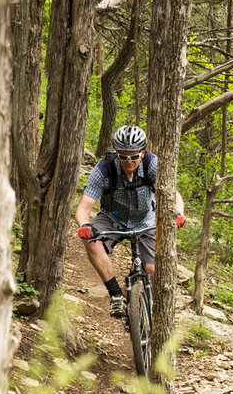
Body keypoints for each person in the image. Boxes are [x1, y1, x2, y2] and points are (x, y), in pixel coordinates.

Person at [75, 125, 185, 317]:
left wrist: (179, 213)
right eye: (123, 156)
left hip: (145, 220)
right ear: (117, 153)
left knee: (152, 269)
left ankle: (150, 310)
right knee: (91, 241)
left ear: (142, 152)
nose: (129, 161)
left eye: (134, 156)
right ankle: (116, 295)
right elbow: (83, 209)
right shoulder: (104, 168)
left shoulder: (151, 164)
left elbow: (174, 195)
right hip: (112, 218)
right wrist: (85, 225)